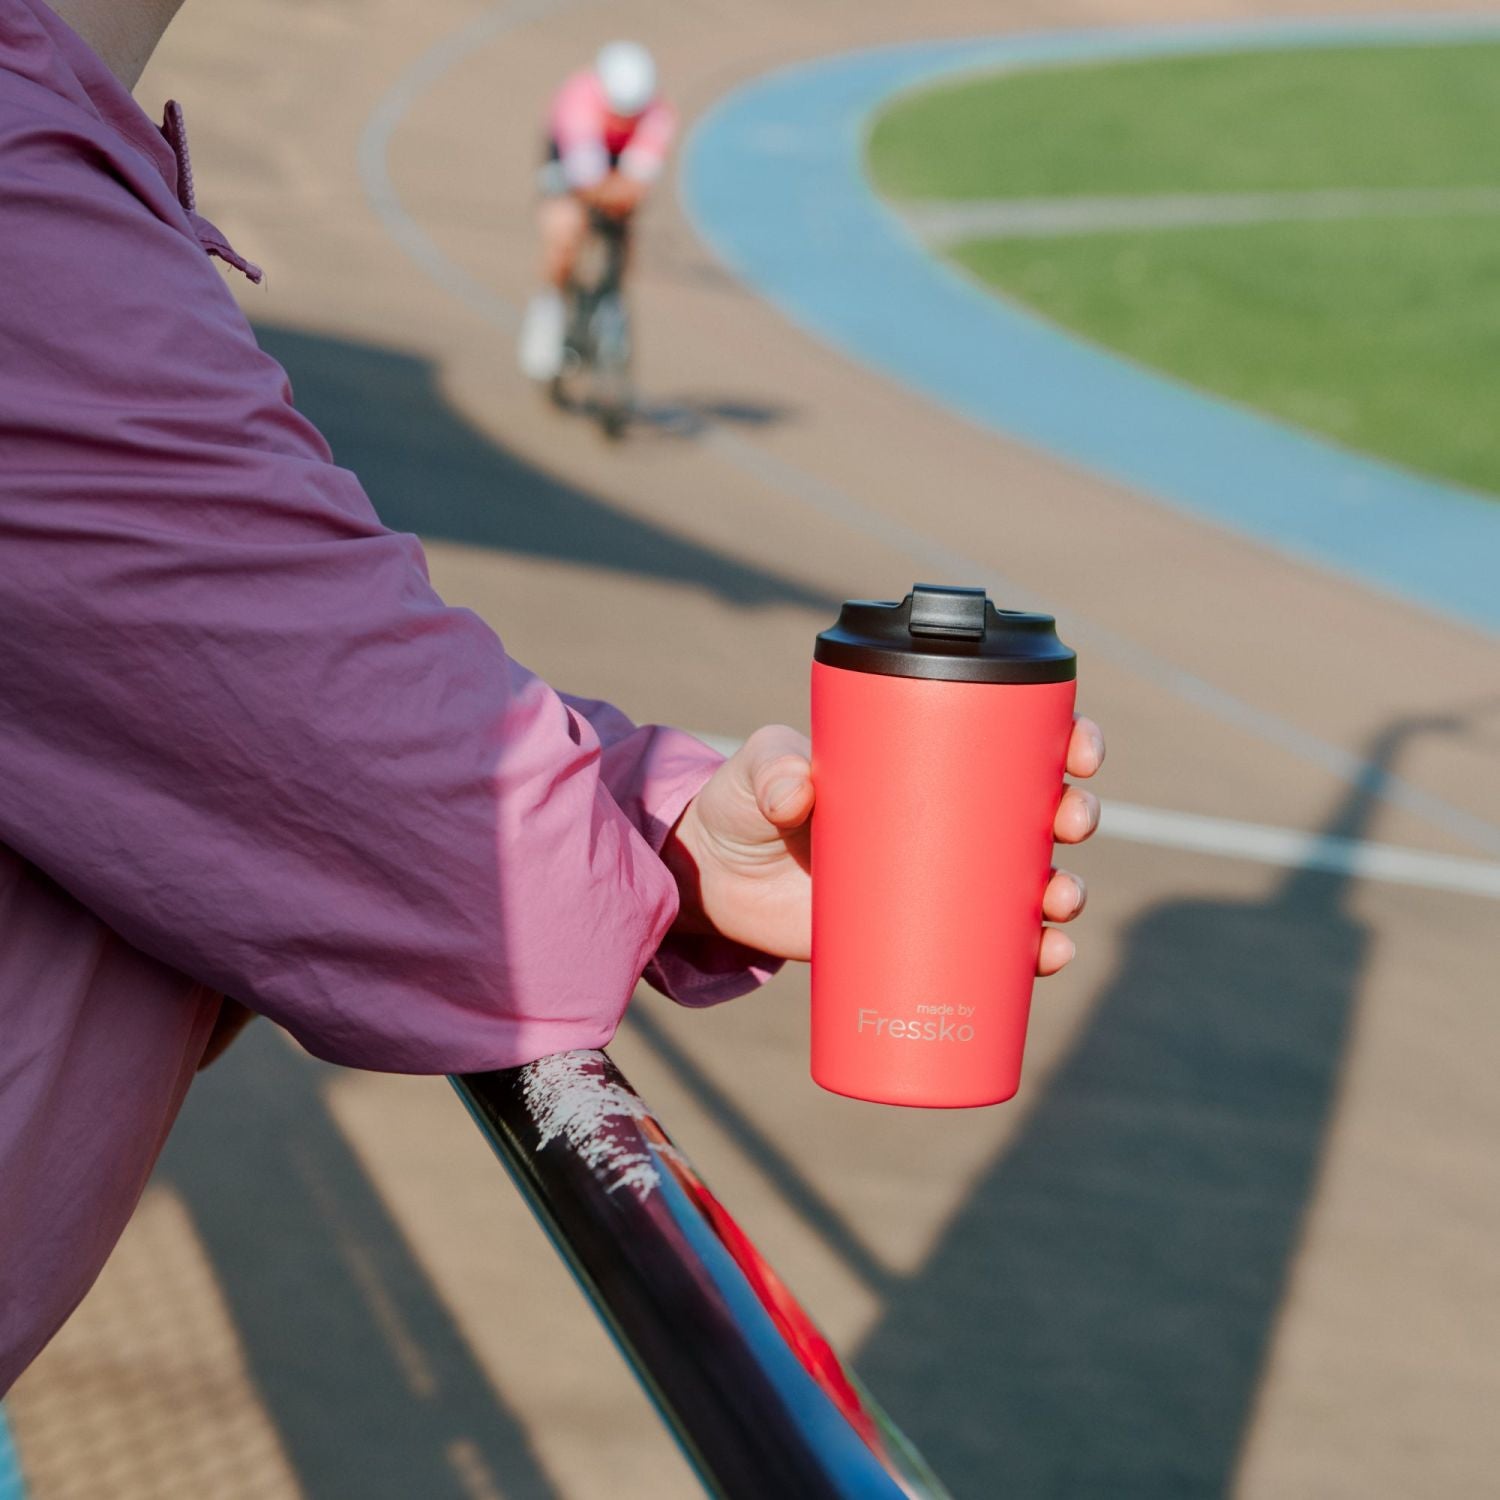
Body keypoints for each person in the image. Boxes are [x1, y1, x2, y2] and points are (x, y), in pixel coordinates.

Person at [0, 0, 1104, 1395]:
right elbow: (462, 867)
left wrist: (675, 828)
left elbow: (256, 699)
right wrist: (632, 834)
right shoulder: (22, 225)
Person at [517, 41, 676, 381]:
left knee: (625, 239)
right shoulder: (577, 101)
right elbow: (587, 181)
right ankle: (548, 310)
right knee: (564, 232)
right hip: (570, 158)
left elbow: (637, 182)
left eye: (631, 113)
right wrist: (612, 192)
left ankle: (611, 303)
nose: (623, 120)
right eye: (617, 111)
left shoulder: (658, 114)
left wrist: (623, 197)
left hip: (615, 164)